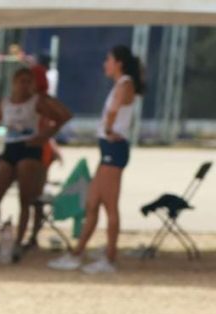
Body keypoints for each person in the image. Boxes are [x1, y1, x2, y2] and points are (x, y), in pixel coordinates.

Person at [49, 45, 144, 274]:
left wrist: (109, 128)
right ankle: (78, 252)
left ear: (118, 62)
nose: (105, 64)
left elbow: (113, 110)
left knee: (109, 205)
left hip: (114, 147)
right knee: (92, 203)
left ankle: (109, 257)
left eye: (108, 59)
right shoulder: (122, 84)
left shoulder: (125, 84)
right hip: (108, 148)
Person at [0, 67, 72, 254]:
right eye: (21, 81)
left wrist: (45, 136)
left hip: (30, 151)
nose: (25, 85)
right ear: (14, 82)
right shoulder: (5, 103)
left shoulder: (37, 102)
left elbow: (63, 116)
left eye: (29, 82)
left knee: (25, 198)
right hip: (10, 149)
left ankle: (19, 241)